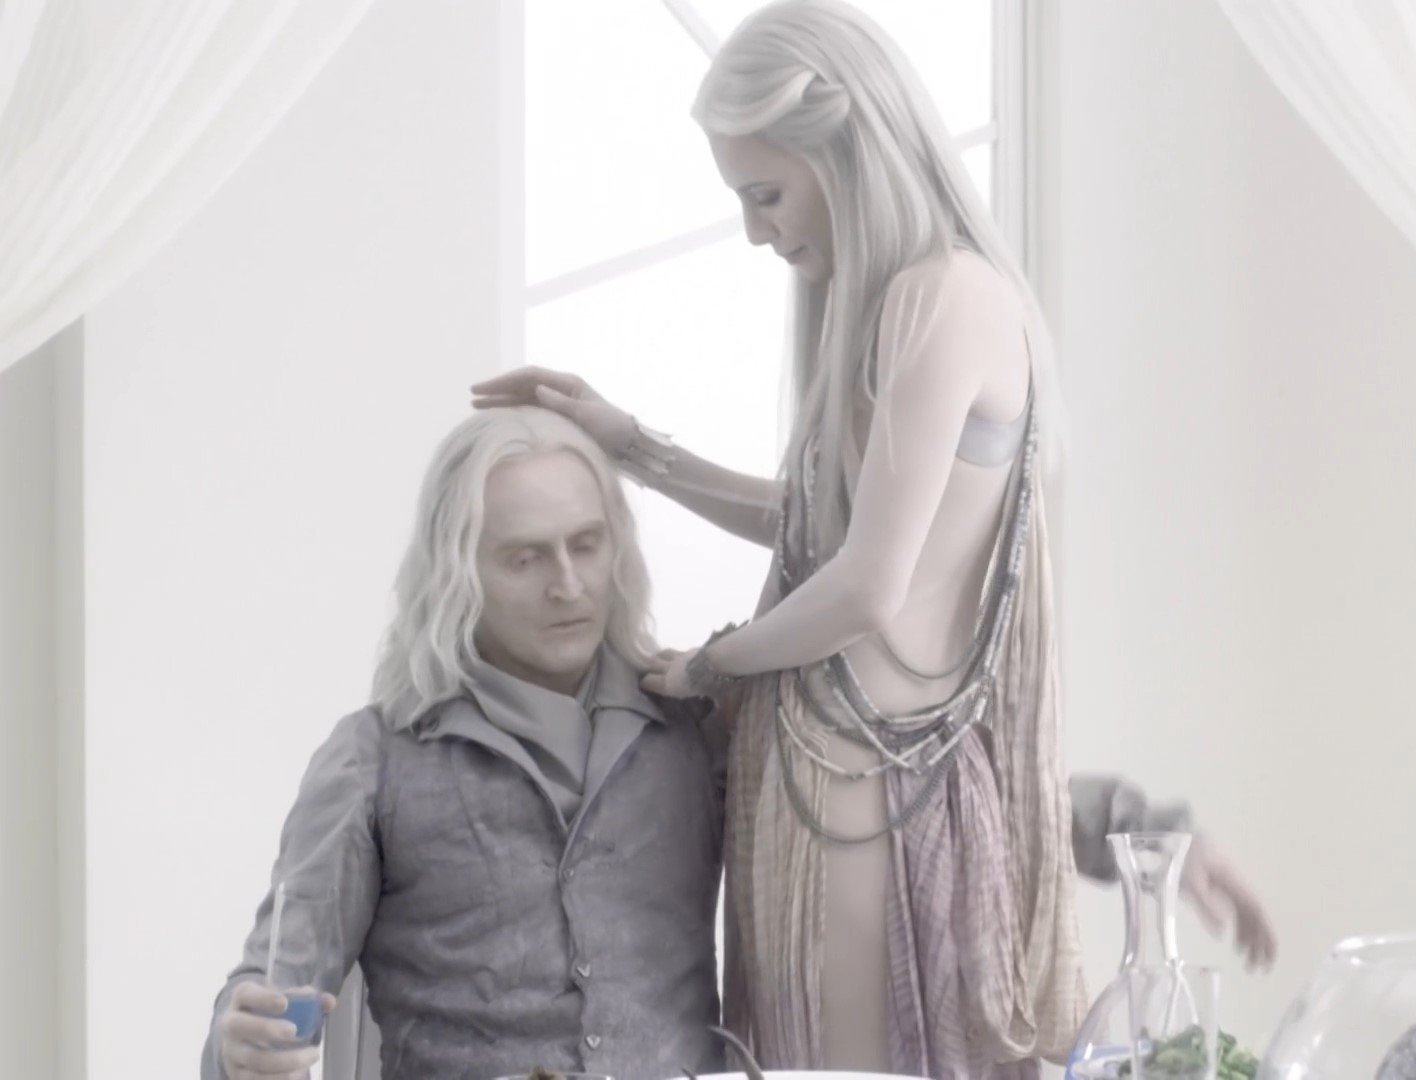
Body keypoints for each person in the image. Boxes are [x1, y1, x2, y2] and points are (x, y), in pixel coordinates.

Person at [471, 2, 1273, 1076]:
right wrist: (635, 447)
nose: (756, 231)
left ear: (845, 148)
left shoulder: (943, 297)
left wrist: (711, 665)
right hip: (836, 795)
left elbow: (865, 586)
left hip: (865, 799)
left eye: (766, 194)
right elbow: (819, 529)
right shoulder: (906, 303)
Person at [203, 406, 1270, 1080]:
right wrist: (238, 1043)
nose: (568, 583)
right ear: (457, 572)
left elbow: (917, 793)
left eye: (587, 545)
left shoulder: (697, 720)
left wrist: (1143, 836)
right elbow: (267, 988)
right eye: (525, 557)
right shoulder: (374, 760)